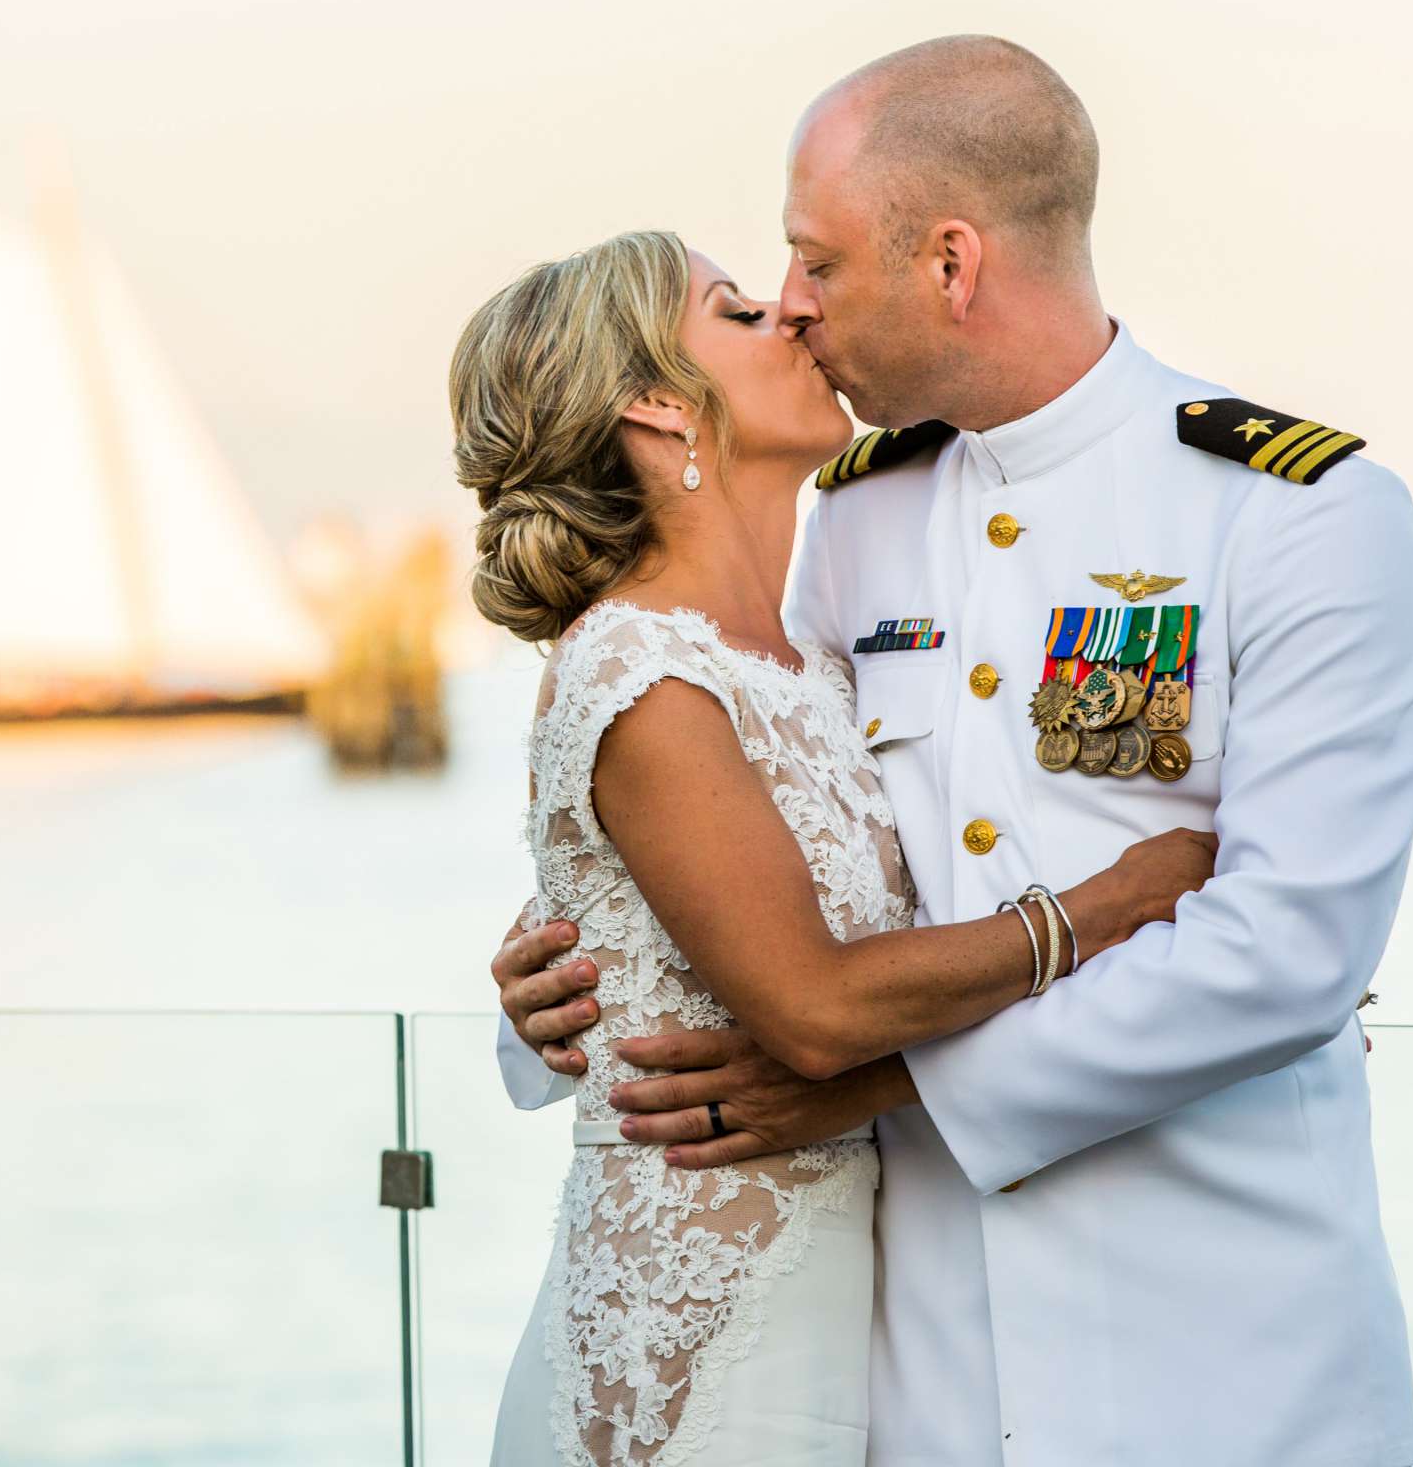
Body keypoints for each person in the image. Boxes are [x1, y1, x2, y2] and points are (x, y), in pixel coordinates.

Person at [493, 36, 1413, 1465]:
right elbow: (759, 841)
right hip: (916, 1375)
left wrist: (880, 1081)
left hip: (1223, 1358)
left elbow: (1293, 952)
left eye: (815, 265)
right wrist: (549, 997)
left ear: (951, 262)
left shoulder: (1294, 515)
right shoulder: (856, 520)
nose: (796, 309)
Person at [449, 228, 1220, 1466]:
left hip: (851, 1311)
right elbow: (808, 1006)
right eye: (740, 312)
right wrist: (1105, 905)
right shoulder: (634, 662)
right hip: (696, 1327)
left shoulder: (808, 654)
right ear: (658, 406)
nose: (793, 319)